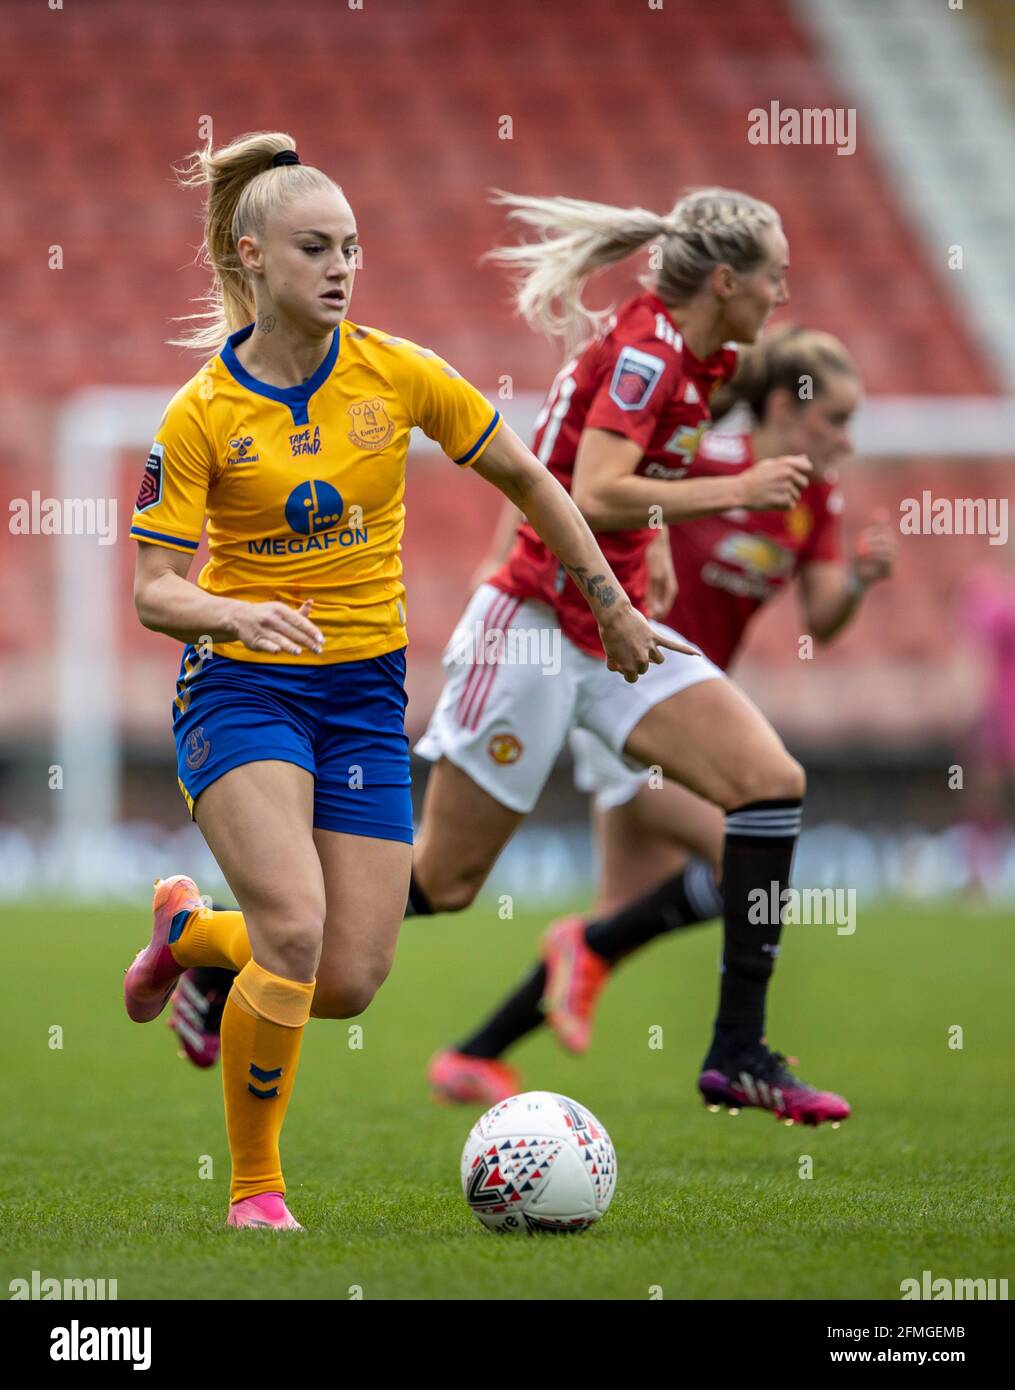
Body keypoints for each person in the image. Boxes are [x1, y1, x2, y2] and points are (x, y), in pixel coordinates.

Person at [122, 132, 669, 1232]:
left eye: (352, 249)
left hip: (365, 696)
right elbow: (153, 590)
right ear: (253, 256)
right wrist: (236, 611)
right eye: (315, 247)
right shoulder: (198, 415)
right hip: (241, 687)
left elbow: (526, 472)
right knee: (292, 928)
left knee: (348, 977)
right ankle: (254, 1191)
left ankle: (188, 938)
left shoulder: (397, 370)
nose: (339, 267)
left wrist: (608, 600)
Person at [430, 325, 895, 1115]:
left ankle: (473, 1054)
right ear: (787, 406)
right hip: (623, 685)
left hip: (680, 713)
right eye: (836, 420)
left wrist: (854, 581)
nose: (846, 441)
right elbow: (578, 494)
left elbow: (823, 617)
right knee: (742, 855)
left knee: (626, 914)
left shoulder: (810, 495)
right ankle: (725, 1042)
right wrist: (499, 580)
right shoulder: (700, 460)